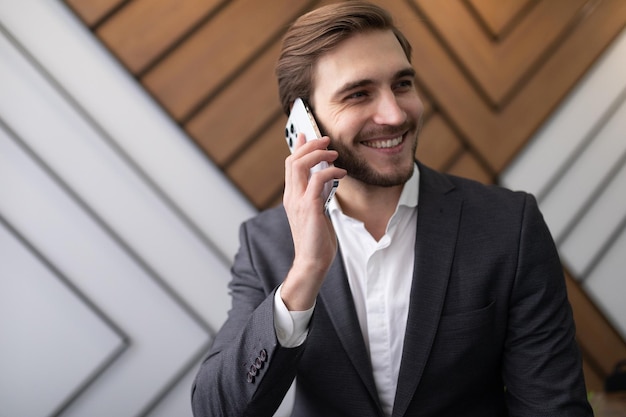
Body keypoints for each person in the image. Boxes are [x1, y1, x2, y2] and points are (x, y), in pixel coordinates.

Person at [191, 2, 593, 416]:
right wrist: (306, 272)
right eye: (359, 94)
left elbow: (553, 407)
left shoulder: (509, 225)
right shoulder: (265, 244)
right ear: (305, 122)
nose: (395, 114)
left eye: (402, 85)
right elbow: (216, 410)